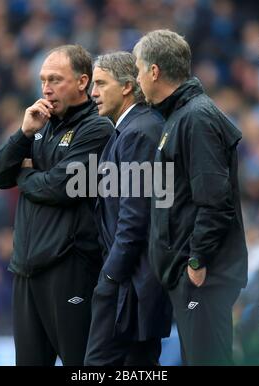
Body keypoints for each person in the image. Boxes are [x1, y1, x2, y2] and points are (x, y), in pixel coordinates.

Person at [0, 45, 114, 366]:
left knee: (81, 365)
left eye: (56, 79)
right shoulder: (39, 123)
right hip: (26, 270)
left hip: (69, 268)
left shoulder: (97, 128)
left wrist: (26, 175)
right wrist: (23, 133)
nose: (46, 88)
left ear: (83, 81)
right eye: (44, 79)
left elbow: (61, 187)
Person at [133, 30, 248, 366]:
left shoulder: (196, 118)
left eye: (139, 70)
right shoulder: (180, 116)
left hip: (203, 277)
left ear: (154, 72)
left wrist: (196, 261)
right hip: (190, 275)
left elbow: (215, 200)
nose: (138, 79)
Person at [84, 51, 172, 366]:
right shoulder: (131, 129)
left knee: (100, 365)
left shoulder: (139, 132)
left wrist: (110, 276)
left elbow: (135, 218)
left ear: (126, 87)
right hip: (132, 280)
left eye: (100, 84)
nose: (92, 93)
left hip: (131, 283)